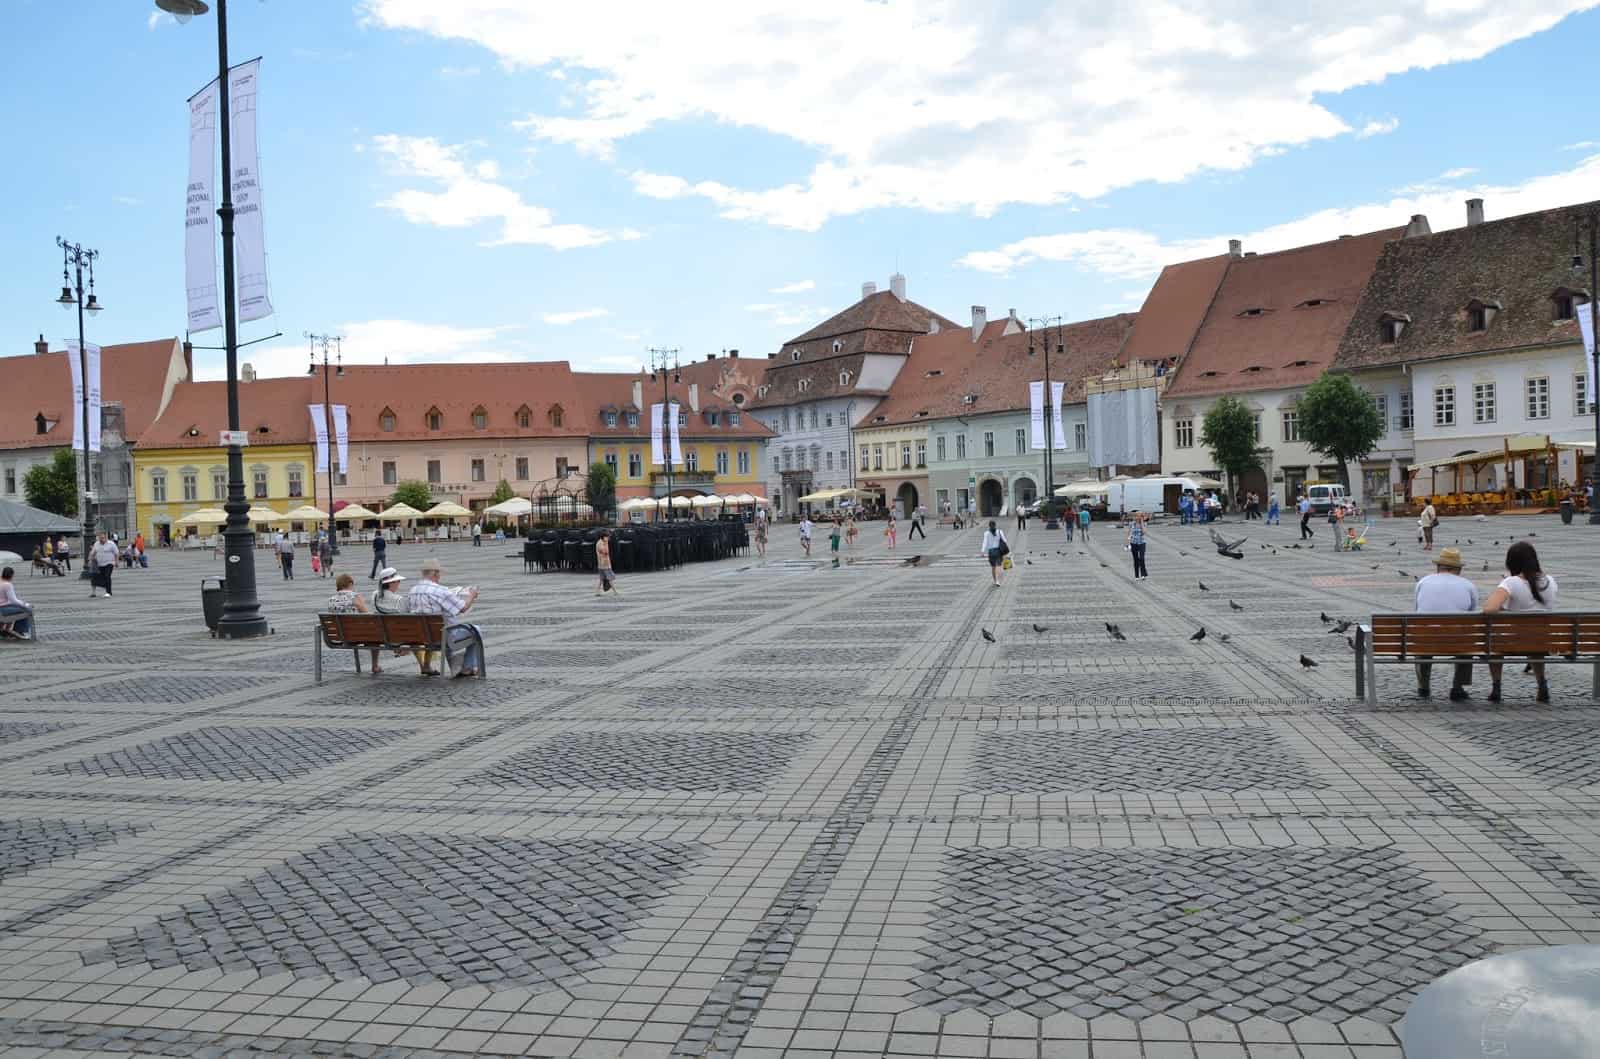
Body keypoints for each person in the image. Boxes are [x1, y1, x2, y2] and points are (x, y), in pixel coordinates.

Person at [1484, 541, 1557, 703]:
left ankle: (1496, 685)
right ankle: (1541, 683)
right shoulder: (1550, 581)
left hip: (1515, 641)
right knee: (1535, 641)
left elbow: (1489, 609)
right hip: (1544, 641)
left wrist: (1507, 611)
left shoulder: (1511, 582)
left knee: (1494, 641)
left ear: (1511, 562)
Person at [1413, 546, 1478, 701]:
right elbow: (1472, 615)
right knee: (1467, 638)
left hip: (1426, 641)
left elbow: (1417, 610)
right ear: (1458, 569)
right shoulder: (1468, 585)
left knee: (1423, 634)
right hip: (1456, 640)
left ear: (1438, 567)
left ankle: (1424, 687)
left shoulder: (1423, 582)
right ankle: (1457, 687)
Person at [408, 557, 482, 678]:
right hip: (443, 637)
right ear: (435, 573)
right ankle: (467, 667)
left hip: (421, 636)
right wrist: (472, 596)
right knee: (476, 630)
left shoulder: (412, 590)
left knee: (441, 627)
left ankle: (456, 665)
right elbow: (462, 608)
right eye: (439, 573)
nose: (440, 576)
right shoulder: (440, 590)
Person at [326, 573, 386, 676]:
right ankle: (375, 666)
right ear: (349, 583)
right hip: (357, 635)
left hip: (339, 636)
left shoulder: (331, 600)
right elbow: (367, 615)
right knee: (375, 634)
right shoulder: (354, 596)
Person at [373, 567, 429, 675]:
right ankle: (424, 666)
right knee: (417, 629)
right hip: (401, 636)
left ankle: (375, 664)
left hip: (380, 635)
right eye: (398, 581)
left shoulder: (374, 596)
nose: (399, 583)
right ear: (391, 583)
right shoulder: (399, 600)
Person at [0, 568, 33, 639]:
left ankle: (5, 630)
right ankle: (19, 630)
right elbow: (13, 600)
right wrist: (25, 604)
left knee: (17, 607)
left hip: (2, 608)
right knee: (27, 610)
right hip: (2, 610)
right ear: (11, 575)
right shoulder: (7, 585)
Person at [980, 519, 1009, 586]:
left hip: (991, 552)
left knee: (993, 567)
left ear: (989, 526)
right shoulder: (1000, 531)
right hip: (998, 551)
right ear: (995, 525)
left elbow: (985, 542)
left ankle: (995, 580)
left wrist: (982, 551)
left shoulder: (986, 533)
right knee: (999, 566)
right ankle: (998, 581)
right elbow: (1005, 540)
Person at [90, 532, 119, 598]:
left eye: (103, 538)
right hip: (100, 564)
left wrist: (117, 562)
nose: (101, 539)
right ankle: (106, 588)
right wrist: (91, 560)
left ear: (106, 538)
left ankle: (109, 592)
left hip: (109, 563)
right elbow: (93, 553)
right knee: (103, 577)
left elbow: (116, 553)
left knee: (107, 576)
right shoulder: (96, 544)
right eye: (100, 538)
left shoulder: (111, 544)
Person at [595, 530, 620, 596]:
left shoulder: (602, 542)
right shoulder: (601, 543)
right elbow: (605, 552)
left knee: (602, 579)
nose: (608, 538)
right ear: (603, 537)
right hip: (604, 564)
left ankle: (597, 592)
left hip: (601, 564)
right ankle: (615, 591)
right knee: (610, 578)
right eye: (607, 537)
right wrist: (606, 544)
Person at [1126, 510, 1149, 580]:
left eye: (1139, 516)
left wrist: (1141, 523)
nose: (1137, 517)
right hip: (1133, 543)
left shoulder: (1144, 523)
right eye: (1136, 516)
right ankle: (1136, 575)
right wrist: (1128, 543)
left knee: (1141, 558)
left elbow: (1144, 532)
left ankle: (1143, 574)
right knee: (1135, 559)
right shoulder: (1131, 524)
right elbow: (1128, 534)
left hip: (1142, 543)